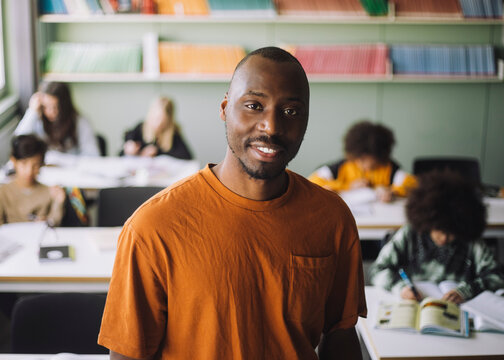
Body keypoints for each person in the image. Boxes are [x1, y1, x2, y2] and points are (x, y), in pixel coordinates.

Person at [98, 47, 367, 360]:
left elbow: (341, 338)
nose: (272, 127)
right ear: (225, 108)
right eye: (254, 106)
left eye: (291, 111)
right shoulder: (152, 227)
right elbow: (128, 355)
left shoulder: (332, 217)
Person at [369, 170, 504, 304]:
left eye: (452, 233)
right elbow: (378, 269)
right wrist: (401, 288)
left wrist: (467, 291)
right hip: (415, 304)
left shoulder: (468, 238)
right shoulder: (410, 233)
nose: (444, 238)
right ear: (427, 221)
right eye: (439, 230)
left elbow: (497, 275)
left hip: (461, 308)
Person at [308, 121, 416, 202]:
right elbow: (313, 181)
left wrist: (392, 192)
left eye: (365, 159)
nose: (360, 163)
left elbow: (412, 185)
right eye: (358, 158)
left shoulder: (389, 167)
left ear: (379, 155)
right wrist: (348, 186)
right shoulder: (344, 165)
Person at [15, 81, 100, 156]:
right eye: (45, 107)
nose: (51, 112)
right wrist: (32, 111)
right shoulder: (38, 121)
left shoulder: (80, 122)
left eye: (56, 107)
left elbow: (93, 156)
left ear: (64, 106)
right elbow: (18, 143)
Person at [0, 134, 66, 226]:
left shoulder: (49, 192)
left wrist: (58, 203)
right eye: (24, 163)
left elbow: (54, 223)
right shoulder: (3, 192)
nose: (29, 171)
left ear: (41, 164)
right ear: (14, 161)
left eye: (35, 165)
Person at [121, 96, 193, 159]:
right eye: (153, 118)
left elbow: (187, 156)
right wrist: (132, 151)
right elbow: (120, 154)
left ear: (168, 120)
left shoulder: (173, 133)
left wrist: (157, 153)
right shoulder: (141, 127)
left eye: (160, 119)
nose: (157, 124)